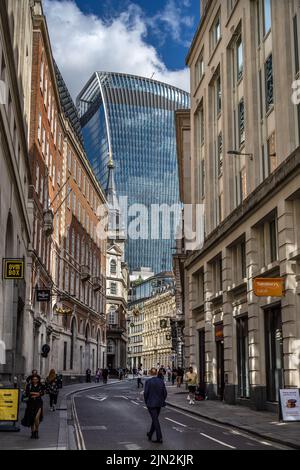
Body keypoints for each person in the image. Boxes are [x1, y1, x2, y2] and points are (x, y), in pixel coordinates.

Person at [144, 368, 167, 444]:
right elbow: (165, 393)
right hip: (159, 403)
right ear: (156, 373)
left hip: (151, 403)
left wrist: (146, 401)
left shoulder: (148, 382)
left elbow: (146, 393)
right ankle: (150, 434)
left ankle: (159, 437)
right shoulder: (161, 381)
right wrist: (162, 400)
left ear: (150, 373)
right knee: (155, 419)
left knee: (155, 420)